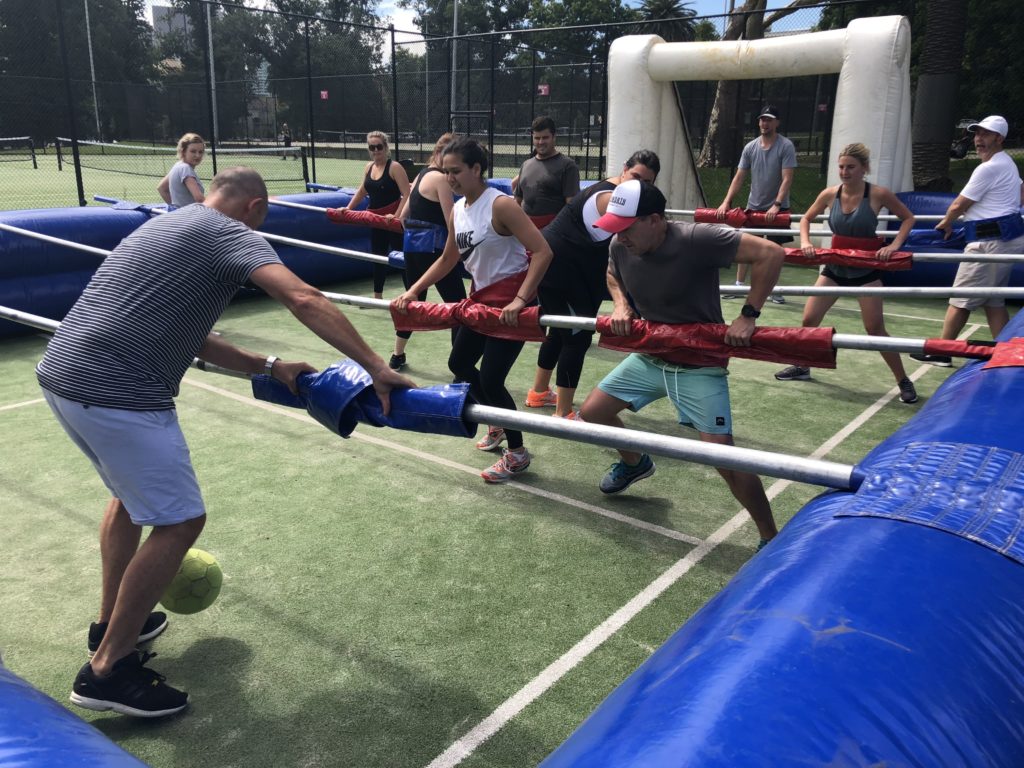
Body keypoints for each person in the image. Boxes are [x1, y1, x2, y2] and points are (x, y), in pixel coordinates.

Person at [36, 167, 414, 718]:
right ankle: (107, 672)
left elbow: (195, 335)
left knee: (128, 500)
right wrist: (377, 365)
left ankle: (112, 626)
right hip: (118, 390)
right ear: (255, 207)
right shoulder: (232, 233)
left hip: (64, 375)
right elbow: (303, 297)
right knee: (180, 521)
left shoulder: (166, 224)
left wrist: (269, 365)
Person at [579, 179, 782, 549]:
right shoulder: (619, 244)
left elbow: (771, 254)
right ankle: (635, 463)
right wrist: (621, 304)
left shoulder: (696, 239)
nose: (620, 237)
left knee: (724, 458)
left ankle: (770, 536)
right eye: (615, 229)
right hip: (651, 358)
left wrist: (749, 315)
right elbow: (612, 271)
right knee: (592, 414)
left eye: (626, 228)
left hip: (699, 365)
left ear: (655, 220)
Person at [392, 137, 553, 483]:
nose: (449, 178)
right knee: (459, 364)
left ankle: (518, 453)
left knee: (493, 379)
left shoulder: (502, 205)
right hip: (480, 303)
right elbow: (449, 258)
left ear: (476, 169)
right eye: (445, 171)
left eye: (456, 171)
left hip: (511, 305)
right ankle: (496, 420)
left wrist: (521, 300)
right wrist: (414, 290)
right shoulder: (459, 210)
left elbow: (542, 252)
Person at [774, 143, 919, 404]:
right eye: (841, 167)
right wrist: (806, 242)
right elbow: (806, 218)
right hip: (835, 268)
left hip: (866, 270)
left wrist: (894, 246)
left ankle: (903, 380)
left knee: (875, 329)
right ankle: (804, 365)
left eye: (850, 167)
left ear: (864, 168)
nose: (844, 172)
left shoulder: (878, 194)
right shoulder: (830, 194)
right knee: (809, 319)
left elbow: (908, 218)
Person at [525, 149, 662, 416]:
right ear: (624, 169)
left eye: (647, 182)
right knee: (576, 339)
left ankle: (539, 393)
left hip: (565, 268)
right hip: (559, 269)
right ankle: (564, 413)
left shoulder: (619, 193)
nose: (639, 186)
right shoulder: (614, 201)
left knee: (560, 331)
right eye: (635, 177)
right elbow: (626, 249)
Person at [911, 115, 1024, 367]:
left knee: (959, 299)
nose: (978, 139)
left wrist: (946, 222)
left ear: (1000, 138)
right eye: (976, 134)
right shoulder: (1006, 163)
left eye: (985, 134)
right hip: (1004, 238)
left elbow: (960, 204)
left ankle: (940, 352)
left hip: (988, 242)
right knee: (992, 299)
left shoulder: (988, 167)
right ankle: (1008, 352)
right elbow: (1021, 192)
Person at [387, 132, 468, 371]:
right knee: (457, 306)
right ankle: (460, 365)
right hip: (435, 251)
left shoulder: (421, 174)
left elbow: (402, 218)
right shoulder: (441, 179)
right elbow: (451, 218)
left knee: (412, 300)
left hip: (413, 247)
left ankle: (396, 355)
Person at [717, 105, 796, 304]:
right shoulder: (750, 147)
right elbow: (739, 177)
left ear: (777, 123)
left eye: (769, 119)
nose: (765, 123)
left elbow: (787, 178)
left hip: (778, 209)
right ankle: (738, 285)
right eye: (762, 119)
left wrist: (777, 205)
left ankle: (773, 289)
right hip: (755, 206)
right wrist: (726, 202)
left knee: (776, 251)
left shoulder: (785, 146)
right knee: (747, 247)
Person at [345, 131, 411, 300]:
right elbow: (362, 191)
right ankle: (377, 297)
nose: (376, 151)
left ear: (386, 147)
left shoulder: (395, 167)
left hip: (393, 222)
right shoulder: (369, 167)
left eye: (379, 147)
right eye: (372, 147)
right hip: (376, 220)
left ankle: (412, 296)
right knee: (378, 257)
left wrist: (395, 217)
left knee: (401, 258)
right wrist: (347, 209)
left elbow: (407, 194)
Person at [513, 116, 580, 229]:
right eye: (537, 138)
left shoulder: (567, 166)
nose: (540, 142)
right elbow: (517, 201)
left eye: (545, 138)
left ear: (554, 137)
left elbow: (572, 207)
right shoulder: (525, 165)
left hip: (554, 231)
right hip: (527, 232)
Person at [157, 132, 206, 208]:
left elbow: (161, 188)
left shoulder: (178, 165)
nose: (197, 155)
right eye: (193, 151)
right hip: (190, 217)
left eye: (200, 152)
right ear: (183, 151)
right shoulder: (185, 169)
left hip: (182, 216)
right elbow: (199, 198)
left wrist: (176, 210)